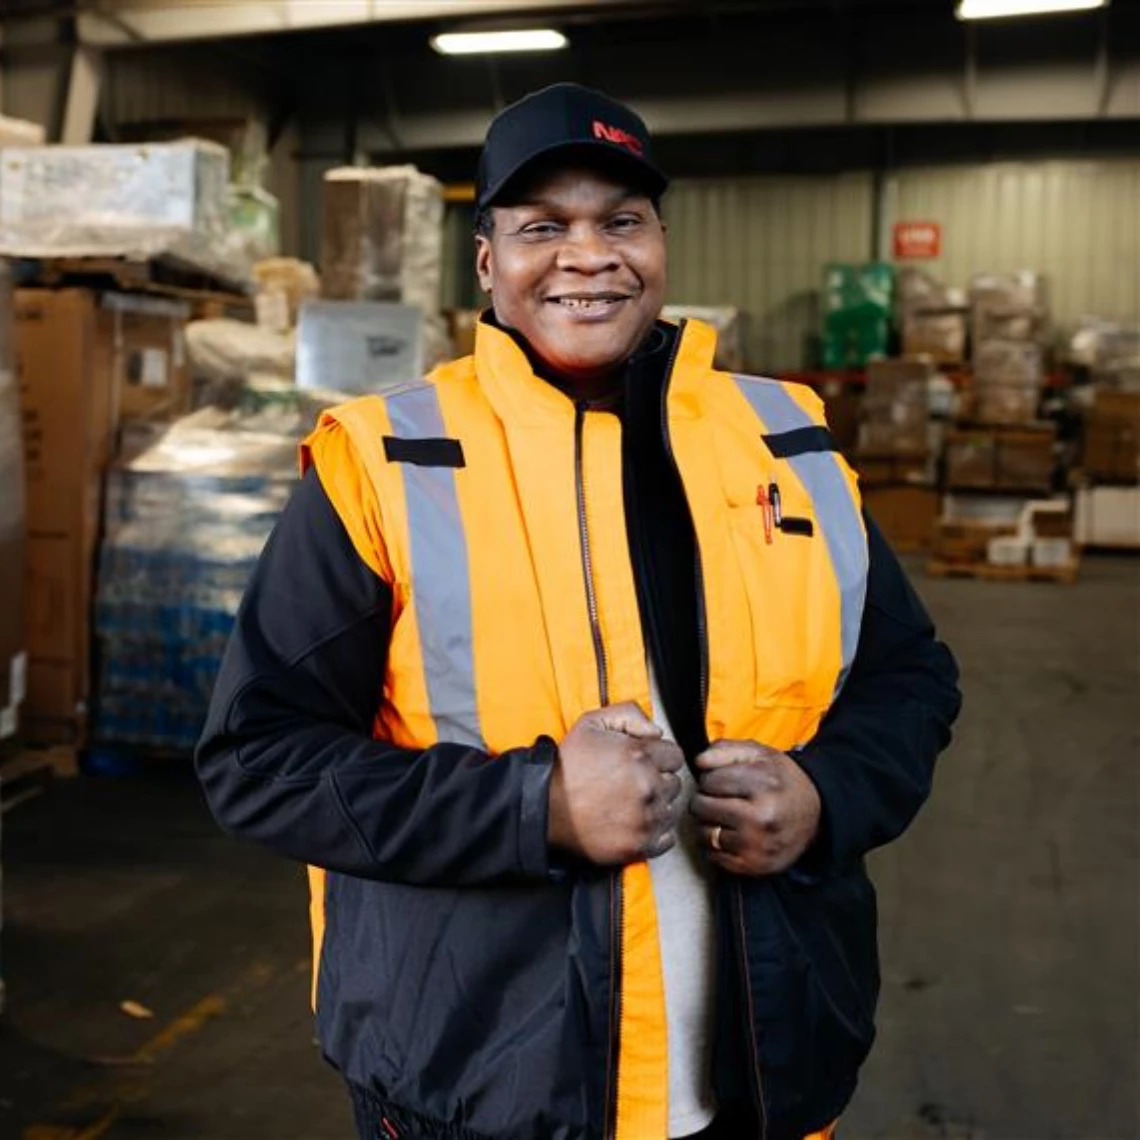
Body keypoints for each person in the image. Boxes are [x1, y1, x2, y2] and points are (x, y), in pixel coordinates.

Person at [196, 83, 961, 1140]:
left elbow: (910, 678)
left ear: (661, 243)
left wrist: (826, 796)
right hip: (481, 1084)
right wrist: (537, 808)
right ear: (487, 264)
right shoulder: (385, 462)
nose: (588, 255)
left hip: (767, 1072)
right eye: (542, 226)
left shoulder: (785, 441)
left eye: (622, 221)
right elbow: (257, 760)